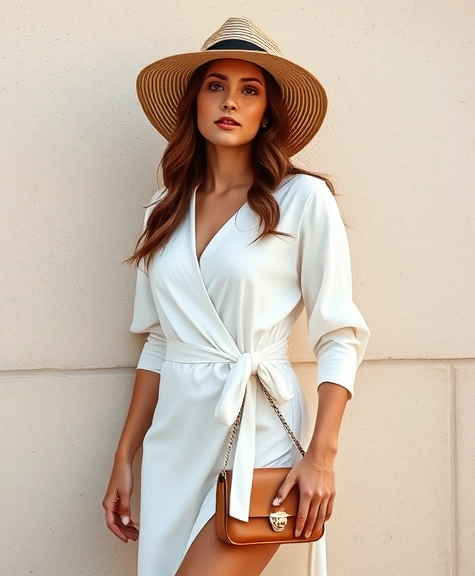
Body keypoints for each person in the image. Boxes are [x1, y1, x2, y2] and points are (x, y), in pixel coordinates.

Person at [101, 17, 371, 576]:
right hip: (177, 437)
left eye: (250, 90)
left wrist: (322, 455)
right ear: (195, 101)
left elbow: (339, 336)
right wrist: (125, 457)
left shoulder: (302, 199)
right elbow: (158, 343)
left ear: (268, 111)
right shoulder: (163, 209)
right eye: (216, 85)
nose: (231, 101)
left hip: (262, 431)